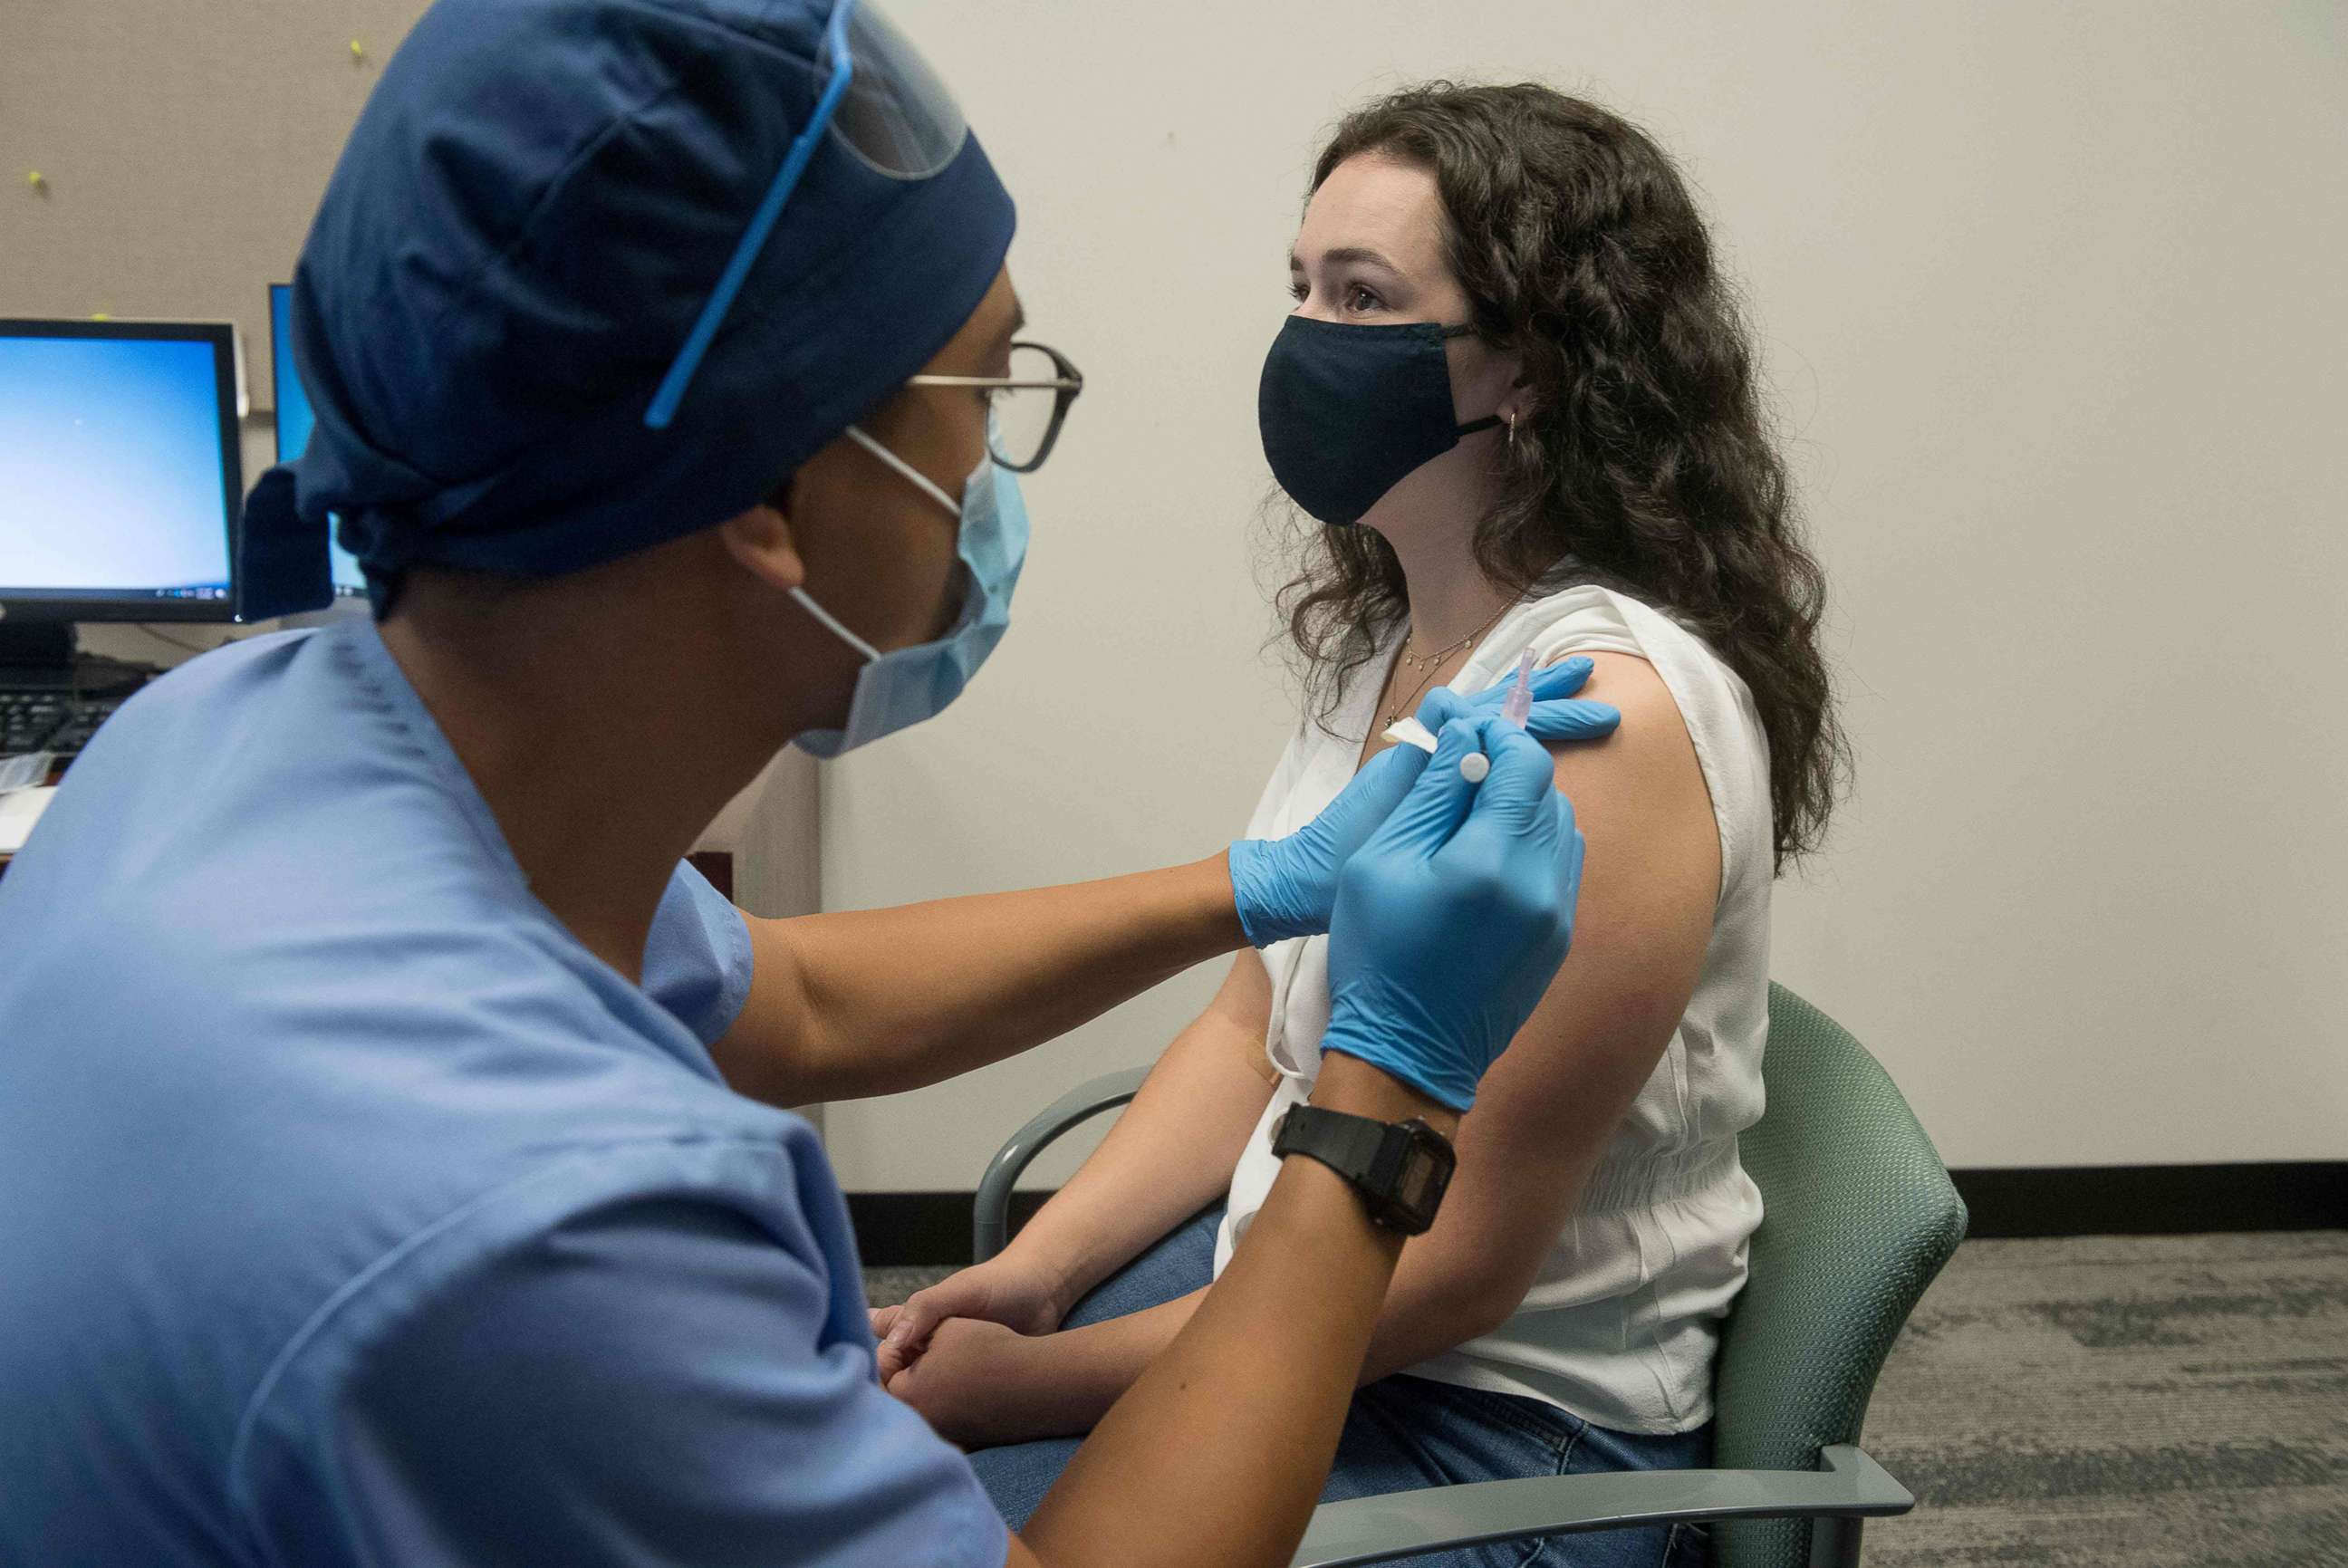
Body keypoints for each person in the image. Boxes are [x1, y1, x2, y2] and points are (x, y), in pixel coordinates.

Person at [0, 8, 1625, 1568]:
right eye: (982, 397)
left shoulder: (222, 736)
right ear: (776, 489)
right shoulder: (542, 1228)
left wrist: (1257, 889)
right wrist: (1387, 1092)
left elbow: (799, 1007)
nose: (991, 472)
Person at [871, 83, 1848, 1568]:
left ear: (1529, 359)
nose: (1308, 339)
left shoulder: (1608, 718)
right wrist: (1036, 1274)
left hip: (1493, 1420)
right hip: (1294, 1284)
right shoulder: (1394, 636)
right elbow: (1253, 1012)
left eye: (1364, 297)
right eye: (1302, 288)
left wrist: (1026, 1389)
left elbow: (1453, 1269)